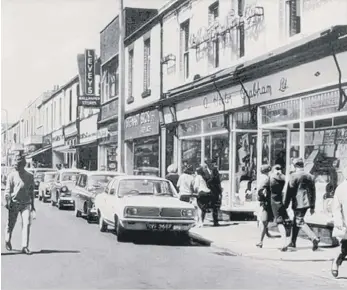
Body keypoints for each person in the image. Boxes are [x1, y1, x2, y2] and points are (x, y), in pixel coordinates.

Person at [285, 157, 320, 251]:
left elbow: (290, 191)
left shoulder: (293, 176)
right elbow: (313, 192)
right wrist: (313, 206)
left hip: (298, 202)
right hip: (307, 202)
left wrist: (286, 204)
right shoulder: (310, 176)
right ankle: (293, 242)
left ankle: (314, 238)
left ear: (295, 166)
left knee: (299, 221)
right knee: (296, 221)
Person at [4, 154, 35, 255]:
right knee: (10, 224)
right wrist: (7, 201)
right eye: (16, 165)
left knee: (26, 224)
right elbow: (7, 191)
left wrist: (33, 206)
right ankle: (7, 239)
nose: (17, 167)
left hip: (26, 204)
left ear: (23, 165)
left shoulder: (30, 176)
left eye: (19, 165)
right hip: (14, 203)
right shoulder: (11, 176)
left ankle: (24, 246)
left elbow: (31, 192)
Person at [331, 166, 347, 278]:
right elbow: (336, 208)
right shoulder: (341, 188)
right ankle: (336, 262)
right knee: (344, 249)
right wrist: (338, 221)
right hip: (346, 223)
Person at [270, 164, 290, 251]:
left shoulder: (272, 178)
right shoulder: (282, 179)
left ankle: (284, 243)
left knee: (279, 222)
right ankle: (286, 241)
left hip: (274, 201)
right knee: (283, 221)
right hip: (280, 200)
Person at [256, 164, 273, 248]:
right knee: (263, 221)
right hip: (264, 202)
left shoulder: (260, 177)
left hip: (260, 202)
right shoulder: (266, 178)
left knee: (262, 220)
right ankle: (260, 240)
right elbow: (262, 190)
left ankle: (263, 236)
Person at [203, 158, 222, 227]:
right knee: (205, 206)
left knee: (215, 207)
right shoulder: (204, 171)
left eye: (212, 164)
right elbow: (204, 180)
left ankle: (215, 221)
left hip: (215, 191)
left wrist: (220, 191)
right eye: (210, 164)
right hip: (207, 190)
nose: (212, 165)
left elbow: (218, 181)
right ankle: (202, 221)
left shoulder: (215, 171)